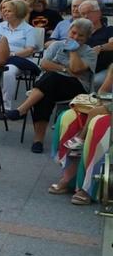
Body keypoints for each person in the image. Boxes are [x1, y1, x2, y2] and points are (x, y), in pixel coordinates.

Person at [5, 19, 97, 153]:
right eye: (73, 33)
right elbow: (44, 64)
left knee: (50, 78)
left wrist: (73, 51)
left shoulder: (89, 52)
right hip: (51, 85)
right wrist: (65, 70)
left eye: (81, 35)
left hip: (77, 88)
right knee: (47, 90)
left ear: (87, 37)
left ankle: (22, 110)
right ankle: (38, 140)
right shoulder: (56, 45)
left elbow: (77, 69)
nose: (76, 37)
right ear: (68, 31)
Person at [49, 69, 113, 205]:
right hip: (107, 107)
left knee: (99, 125)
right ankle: (70, 177)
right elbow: (102, 91)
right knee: (69, 117)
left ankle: (89, 187)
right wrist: (104, 104)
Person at [0, 0, 42, 111]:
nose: (5, 12)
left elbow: (30, 50)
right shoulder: (0, 26)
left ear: (18, 13)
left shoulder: (29, 29)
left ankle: (6, 107)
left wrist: (12, 54)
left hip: (19, 60)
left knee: (8, 71)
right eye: (4, 10)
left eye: (9, 11)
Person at [79, 0, 113, 88]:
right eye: (83, 14)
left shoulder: (109, 30)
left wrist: (100, 48)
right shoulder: (79, 33)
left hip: (104, 69)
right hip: (82, 68)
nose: (86, 16)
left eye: (89, 12)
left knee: (97, 81)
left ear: (99, 13)